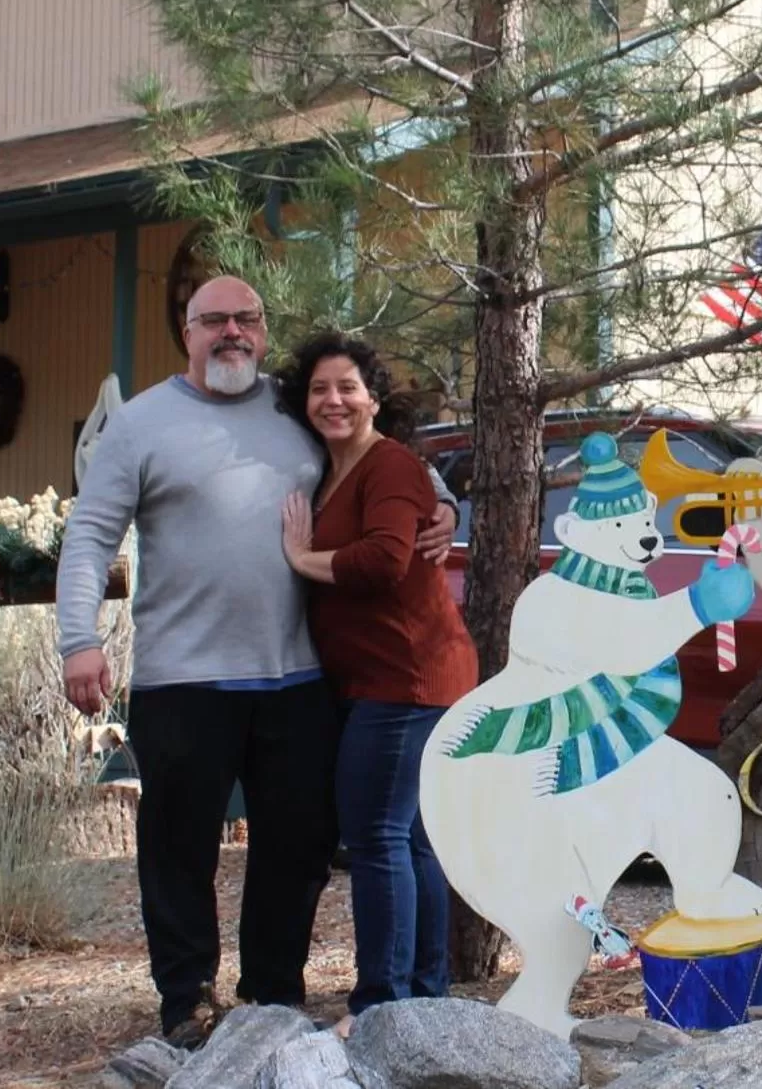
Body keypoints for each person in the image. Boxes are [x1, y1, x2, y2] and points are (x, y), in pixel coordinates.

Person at [55, 276, 457, 1048]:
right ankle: (187, 999)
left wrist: (436, 507)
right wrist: (79, 637)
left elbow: (391, 462)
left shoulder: (296, 407)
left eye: (246, 319)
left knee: (297, 848)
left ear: (264, 332)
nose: (231, 332)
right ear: (187, 331)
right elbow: (89, 536)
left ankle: (272, 993)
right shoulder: (140, 424)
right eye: (214, 320)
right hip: (182, 680)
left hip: (298, 679)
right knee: (178, 850)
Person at [277, 332, 477, 1033]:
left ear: (373, 397)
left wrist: (303, 558)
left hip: (406, 677)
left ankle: (381, 1002)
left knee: (377, 835)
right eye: (318, 389)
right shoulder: (334, 468)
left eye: (347, 387)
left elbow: (386, 560)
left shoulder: (387, 463)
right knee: (412, 836)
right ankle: (421, 992)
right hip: (397, 676)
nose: (332, 400)